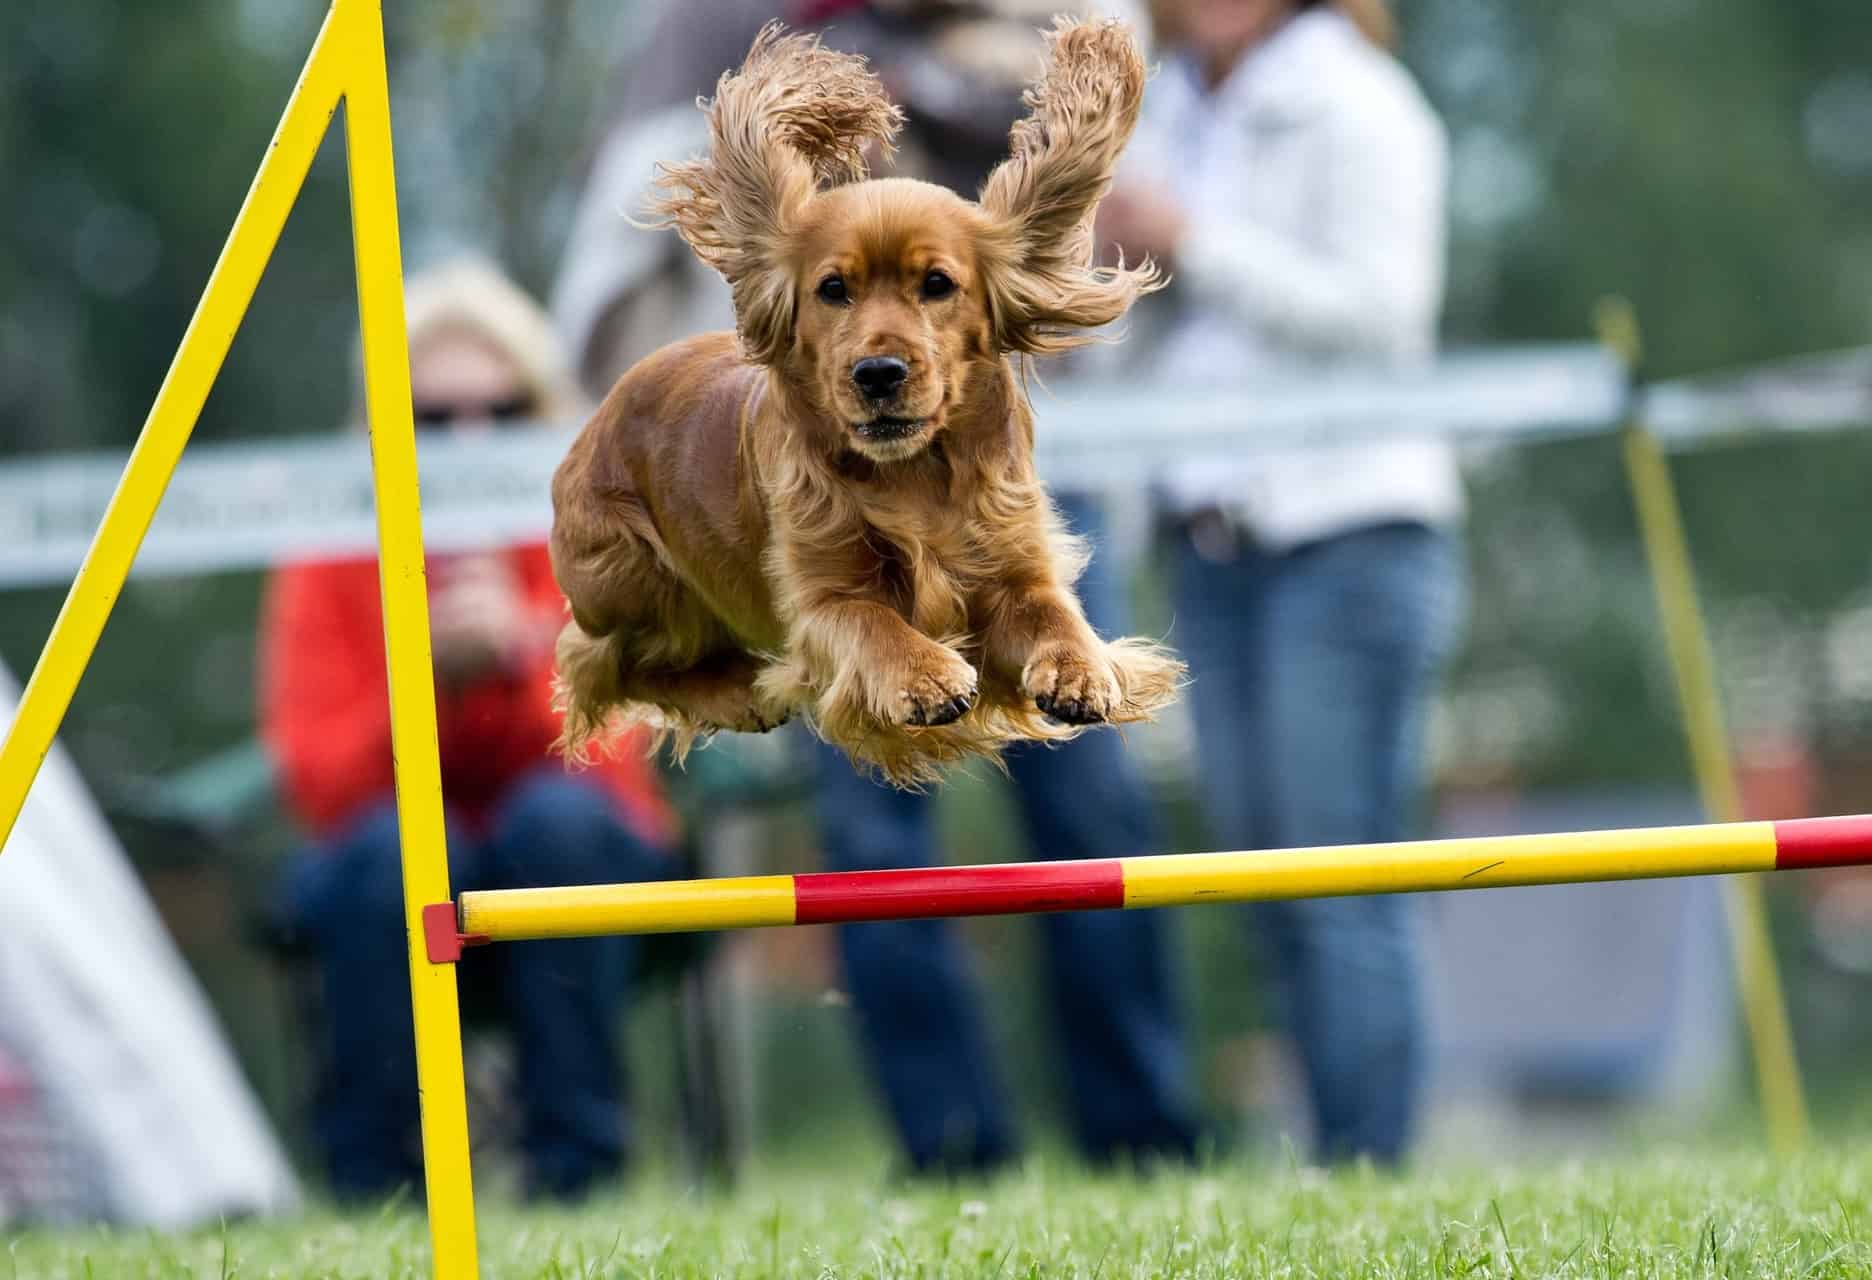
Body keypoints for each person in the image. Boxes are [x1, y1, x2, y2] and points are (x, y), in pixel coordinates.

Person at [551, 0, 1200, 1174]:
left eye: (929, 294)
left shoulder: (1016, 19)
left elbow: (1103, 73)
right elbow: (621, 203)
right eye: (843, 298)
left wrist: (1050, 629)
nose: (881, 339)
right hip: (802, 480)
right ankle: (949, 1145)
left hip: (997, 449)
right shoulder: (712, 24)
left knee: (1091, 803)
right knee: (866, 831)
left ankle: (1144, 1131)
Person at [1099, 0, 1462, 1163]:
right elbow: (1160, 346)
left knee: (1338, 881)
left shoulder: (1362, 101)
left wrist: (1194, 241)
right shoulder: (1169, 120)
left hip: (1348, 537)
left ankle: (1370, 1170)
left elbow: (1383, 315)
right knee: (1266, 880)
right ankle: (1337, 1156)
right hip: (1215, 547)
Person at [259, 259, 680, 1202]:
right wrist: (429, 684)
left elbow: (619, 755)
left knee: (555, 826)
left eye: (500, 408)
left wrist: (520, 668)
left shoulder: (596, 534)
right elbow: (318, 783)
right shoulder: (331, 554)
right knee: (401, 852)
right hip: (393, 869)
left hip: (570, 847)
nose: (469, 438)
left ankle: (581, 1176)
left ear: (541, 409)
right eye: (434, 419)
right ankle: (376, 1191)